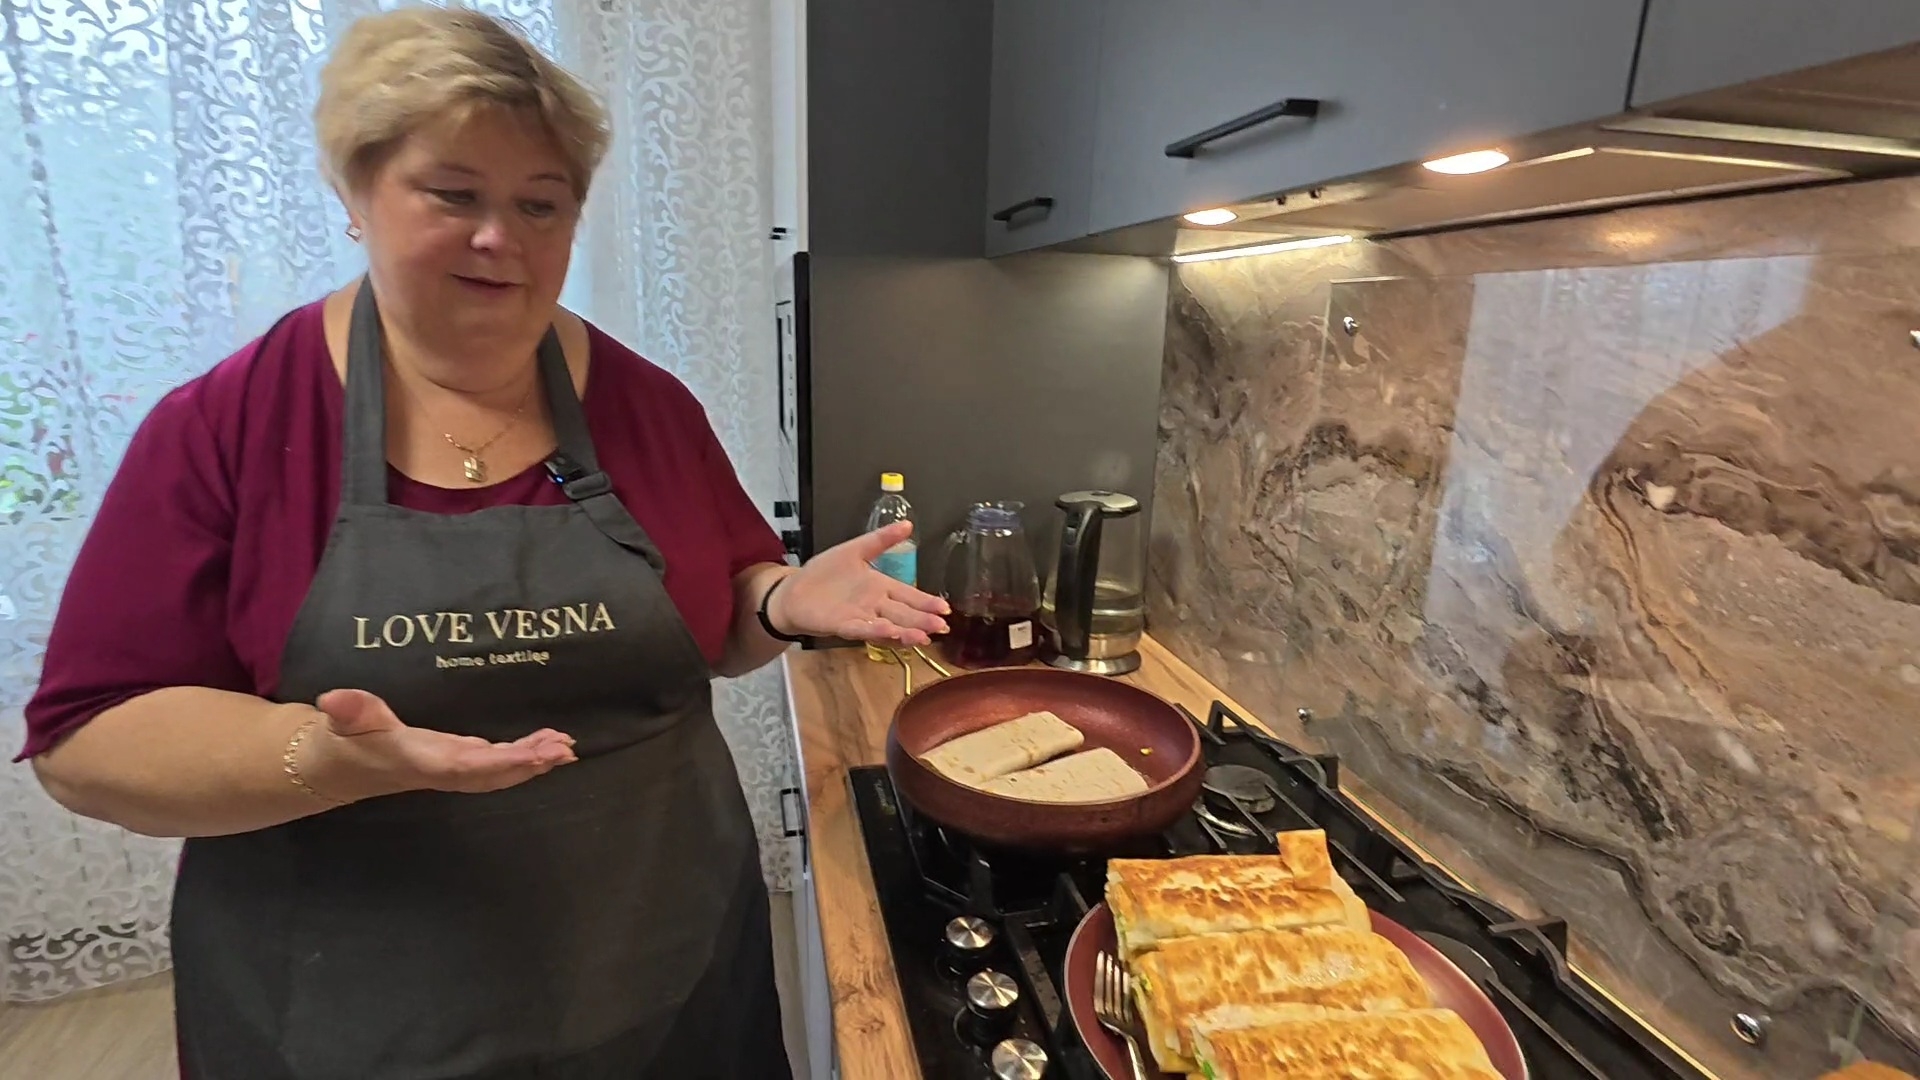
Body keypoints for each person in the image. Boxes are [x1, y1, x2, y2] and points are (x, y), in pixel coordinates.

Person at [16, 8, 948, 1078]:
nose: (500, 237)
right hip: (350, 1023)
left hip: (666, 990)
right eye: (454, 195)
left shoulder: (647, 408)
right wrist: (321, 760)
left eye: (539, 204)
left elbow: (722, 619)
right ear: (356, 193)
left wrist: (779, 599)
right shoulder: (229, 425)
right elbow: (88, 745)